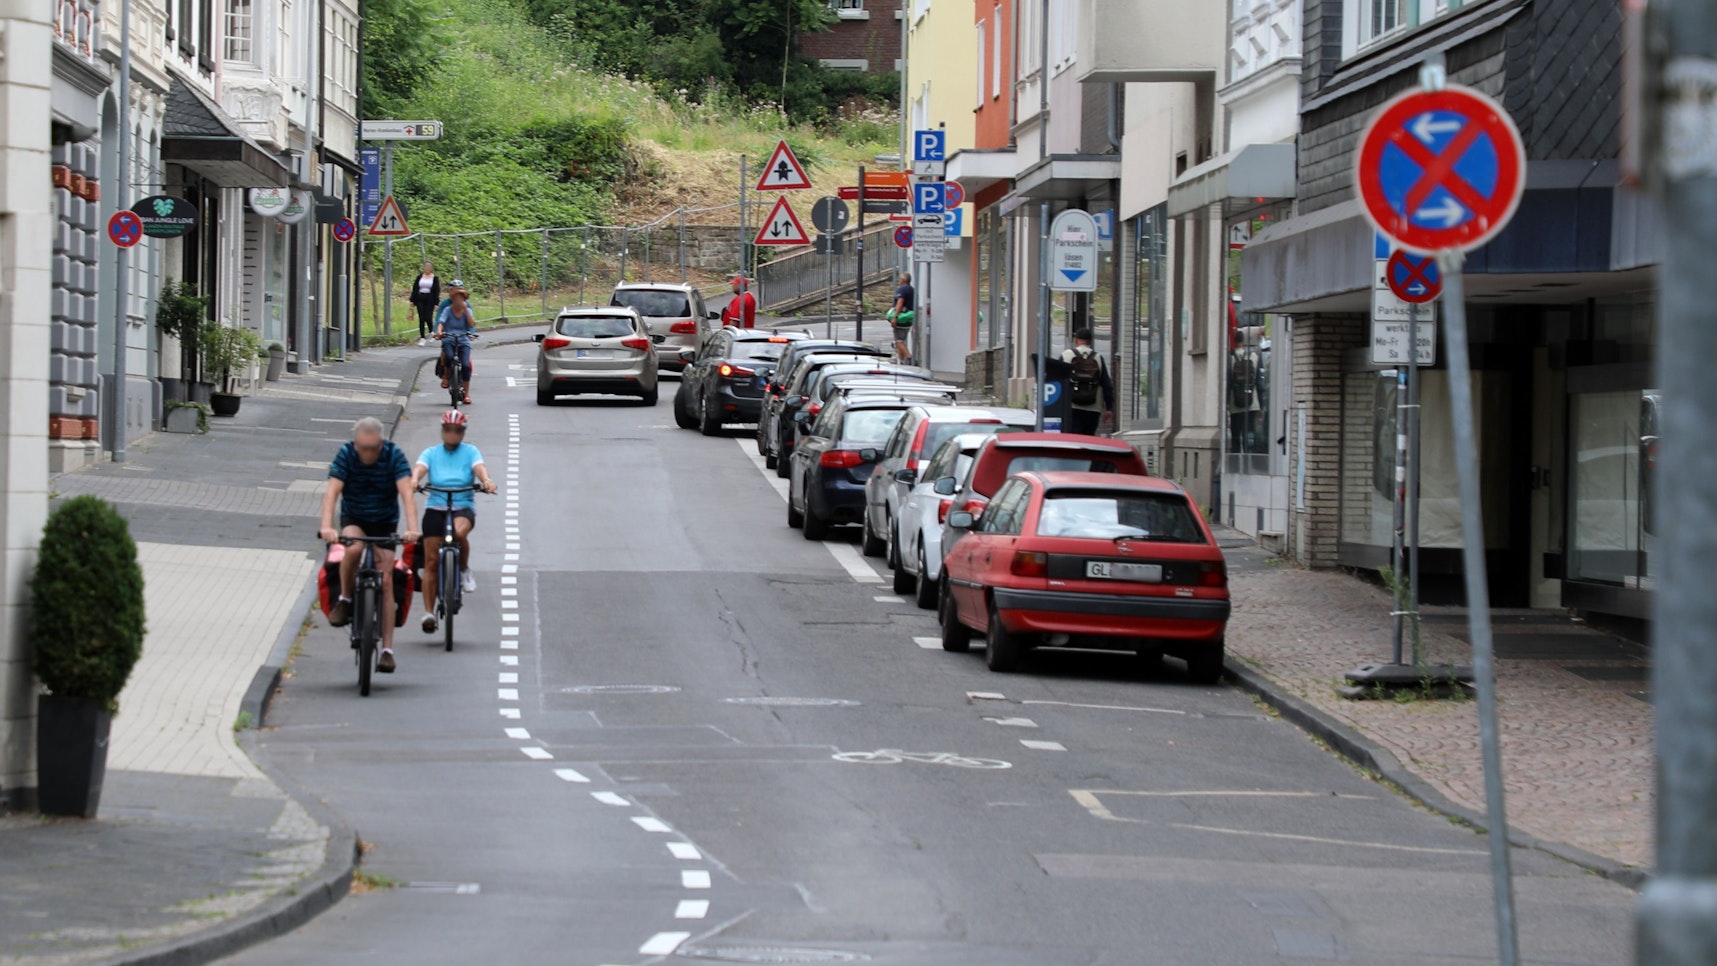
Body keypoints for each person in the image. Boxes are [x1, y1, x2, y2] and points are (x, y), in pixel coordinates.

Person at [320, 417, 420, 674]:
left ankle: (387, 650)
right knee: (352, 547)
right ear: (356, 444)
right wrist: (327, 527)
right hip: (355, 516)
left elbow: (406, 493)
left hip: (384, 520)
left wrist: (412, 529)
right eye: (363, 448)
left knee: (386, 582)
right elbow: (332, 492)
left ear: (381, 443)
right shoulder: (346, 453)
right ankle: (344, 598)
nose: (368, 454)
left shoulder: (392, 454)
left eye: (373, 448)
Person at [411, 409, 498, 633]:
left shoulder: (470, 451)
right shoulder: (431, 453)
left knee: (459, 534)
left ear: (463, 433)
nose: (452, 435)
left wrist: (486, 481)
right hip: (436, 506)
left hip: (462, 505)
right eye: (448, 430)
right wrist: (414, 480)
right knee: (430, 561)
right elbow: (420, 469)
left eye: (457, 431)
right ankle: (429, 613)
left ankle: (463, 569)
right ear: (442, 431)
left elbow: (479, 469)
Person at [1060, 328, 1115, 436]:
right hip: (1093, 407)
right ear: (1090, 342)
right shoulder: (1098, 358)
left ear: (1076, 340)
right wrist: (1109, 408)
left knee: (1072, 439)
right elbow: (1107, 385)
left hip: (1071, 406)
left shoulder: (1066, 355)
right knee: (1088, 438)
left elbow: (1057, 380)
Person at [436, 282, 476, 404]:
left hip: (463, 339)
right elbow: (440, 321)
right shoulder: (447, 309)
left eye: (461, 298)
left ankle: (467, 394)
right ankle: (446, 376)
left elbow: (472, 324)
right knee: (449, 357)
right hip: (449, 338)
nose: (459, 300)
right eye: (457, 298)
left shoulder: (467, 309)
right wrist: (439, 332)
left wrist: (466, 311)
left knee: (465, 365)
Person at [409, 263, 440, 346]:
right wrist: (412, 300)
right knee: (421, 318)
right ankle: (422, 338)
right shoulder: (419, 277)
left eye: (429, 267)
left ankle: (431, 331)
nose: (427, 268)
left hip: (430, 299)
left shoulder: (435, 278)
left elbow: (437, 291)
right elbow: (415, 288)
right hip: (420, 298)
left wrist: (436, 303)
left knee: (428, 317)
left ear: (431, 268)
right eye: (426, 266)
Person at [888, 272, 915, 365]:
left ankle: (909, 357)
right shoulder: (912, 290)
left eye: (900, 279)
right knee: (901, 341)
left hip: (901, 318)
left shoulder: (902, 289)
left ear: (903, 280)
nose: (899, 281)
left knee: (898, 341)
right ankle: (901, 361)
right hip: (908, 319)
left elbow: (900, 302)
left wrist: (895, 317)